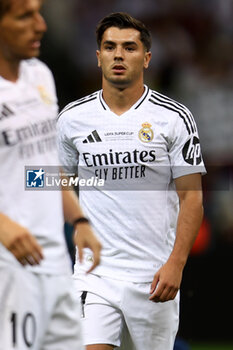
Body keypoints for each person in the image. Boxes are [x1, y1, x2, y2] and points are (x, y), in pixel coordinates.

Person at [57, 12, 206, 350]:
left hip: (153, 276)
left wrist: (176, 265)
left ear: (147, 57)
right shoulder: (71, 119)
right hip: (94, 275)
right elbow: (55, 181)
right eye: (109, 47)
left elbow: (192, 199)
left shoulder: (174, 118)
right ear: (98, 57)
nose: (119, 55)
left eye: (129, 47)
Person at [0, 0, 101, 349]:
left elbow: (42, 168)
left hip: (56, 261)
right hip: (9, 265)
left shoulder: (40, 75)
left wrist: (80, 220)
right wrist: (3, 225)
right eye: (25, 16)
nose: (41, 25)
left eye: (40, 13)